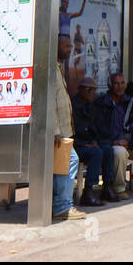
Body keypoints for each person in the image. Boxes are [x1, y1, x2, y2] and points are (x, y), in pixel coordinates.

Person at [52, 33, 86, 221]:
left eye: (70, 46)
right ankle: (62, 207)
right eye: (66, 46)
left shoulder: (59, 67)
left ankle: (59, 205)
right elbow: (49, 102)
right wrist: (55, 130)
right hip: (57, 132)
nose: (69, 49)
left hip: (64, 130)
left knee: (62, 166)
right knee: (71, 161)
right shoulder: (51, 68)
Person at [72, 77, 116, 204]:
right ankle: (88, 192)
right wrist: (85, 142)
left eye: (93, 90)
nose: (91, 93)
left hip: (88, 142)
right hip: (77, 144)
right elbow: (74, 130)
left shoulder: (91, 107)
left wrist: (95, 140)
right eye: (88, 89)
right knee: (96, 153)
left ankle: (107, 186)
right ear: (80, 89)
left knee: (107, 149)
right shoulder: (73, 106)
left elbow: (96, 127)